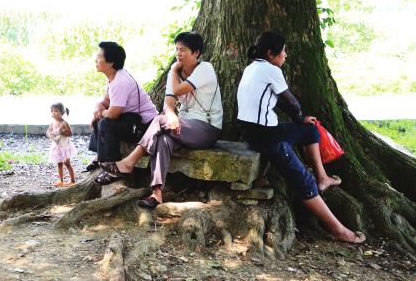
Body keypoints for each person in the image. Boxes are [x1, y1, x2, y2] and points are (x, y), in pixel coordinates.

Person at [237, 32, 365, 244]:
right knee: (304, 182)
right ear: (271, 53)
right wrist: (299, 116)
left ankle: (323, 177)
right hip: (267, 136)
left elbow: (273, 99)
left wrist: (301, 121)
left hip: (251, 131)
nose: (286, 55)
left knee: (310, 130)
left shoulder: (252, 67)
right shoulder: (271, 70)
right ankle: (338, 230)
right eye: (283, 50)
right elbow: (290, 102)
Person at [95, 32, 223, 210]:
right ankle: (157, 194)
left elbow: (177, 90)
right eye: (177, 49)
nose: (178, 53)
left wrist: (173, 75)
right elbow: (168, 102)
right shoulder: (175, 72)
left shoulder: (205, 69)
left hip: (207, 129)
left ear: (196, 53)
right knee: (162, 140)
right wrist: (170, 112)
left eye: (183, 50)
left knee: (159, 121)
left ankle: (128, 162)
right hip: (184, 127)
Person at [85, 41, 159, 171]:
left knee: (105, 123)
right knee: (100, 120)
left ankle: (111, 166)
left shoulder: (121, 81)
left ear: (110, 62)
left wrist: (100, 113)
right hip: (130, 120)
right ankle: (99, 158)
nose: (95, 60)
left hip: (144, 127)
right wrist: (98, 109)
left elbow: (113, 114)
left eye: (99, 57)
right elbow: (106, 101)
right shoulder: (113, 77)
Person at [47, 103, 76, 187]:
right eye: (52, 111)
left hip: (64, 147)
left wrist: (61, 132)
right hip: (56, 147)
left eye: (56, 111)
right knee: (59, 164)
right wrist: (50, 134)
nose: (53, 113)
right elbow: (48, 131)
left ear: (62, 112)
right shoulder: (52, 123)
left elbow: (70, 133)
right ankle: (61, 181)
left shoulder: (64, 123)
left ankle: (72, 180)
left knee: (67, 164)